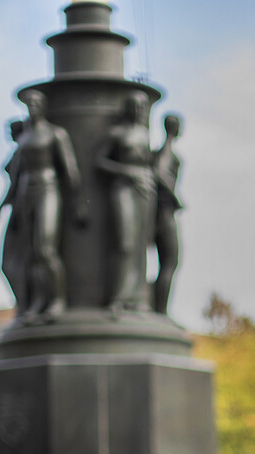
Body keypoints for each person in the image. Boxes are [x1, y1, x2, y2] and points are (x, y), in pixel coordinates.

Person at [11, 90, 85, 318]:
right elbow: (15, 175)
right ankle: (39, 301)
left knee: (45, 249)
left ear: (43, 107)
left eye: (35, 103)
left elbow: (70, 170)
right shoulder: (23, 138)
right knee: (32, 252)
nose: (31, 108)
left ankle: (58, 299)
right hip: (26, 192)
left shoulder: (56, 133)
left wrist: (78, 202)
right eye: (28, 104)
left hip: (48, 189)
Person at [96, 91, 155, 313]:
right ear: (128, 108)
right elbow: (100, 161)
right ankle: (118, 296)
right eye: (136, 106)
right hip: (123, 187)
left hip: (145, 188)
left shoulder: (145, 134)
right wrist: (125, 171)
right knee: (125, 242)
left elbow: (150, 163)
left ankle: (138, 298)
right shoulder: (117, 133)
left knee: (141, 244)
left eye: (143, 106)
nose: (140, 110)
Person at [0, 119, 26, 313]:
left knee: (13, 262)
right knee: (8, 264)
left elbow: (14, 187)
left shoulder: (23, 151)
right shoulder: (19, 151)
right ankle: (23, 304)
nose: (8, 133)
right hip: (18, 210)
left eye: (11, 130)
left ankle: (25, 304)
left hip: (24, 210)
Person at [151, 113, 183, 315]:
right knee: (171, 260)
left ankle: (159, 308)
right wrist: (175, 197)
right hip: (164, 211)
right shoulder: (167, 153)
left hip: (160, 210)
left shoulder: (164, 152)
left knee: (169, 262)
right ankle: (160, 310)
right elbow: (158, 172)